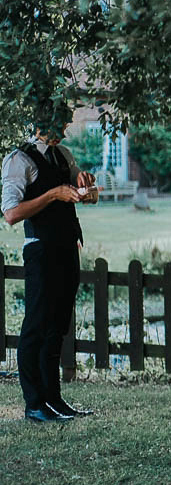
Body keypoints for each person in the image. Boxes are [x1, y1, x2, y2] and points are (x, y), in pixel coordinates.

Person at [2, 102, 97, 423]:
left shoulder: (64, 156)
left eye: (65, 125)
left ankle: (54, 400)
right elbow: (12, 214)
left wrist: (86, 184)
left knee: (58, 326)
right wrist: (52, 195)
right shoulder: (19, 160)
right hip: (40, 249)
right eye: (59, 126)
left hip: (67, 245)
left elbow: (84, 192)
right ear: (41, 123)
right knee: (36, 326)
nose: (64, 131)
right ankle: (34, 404)